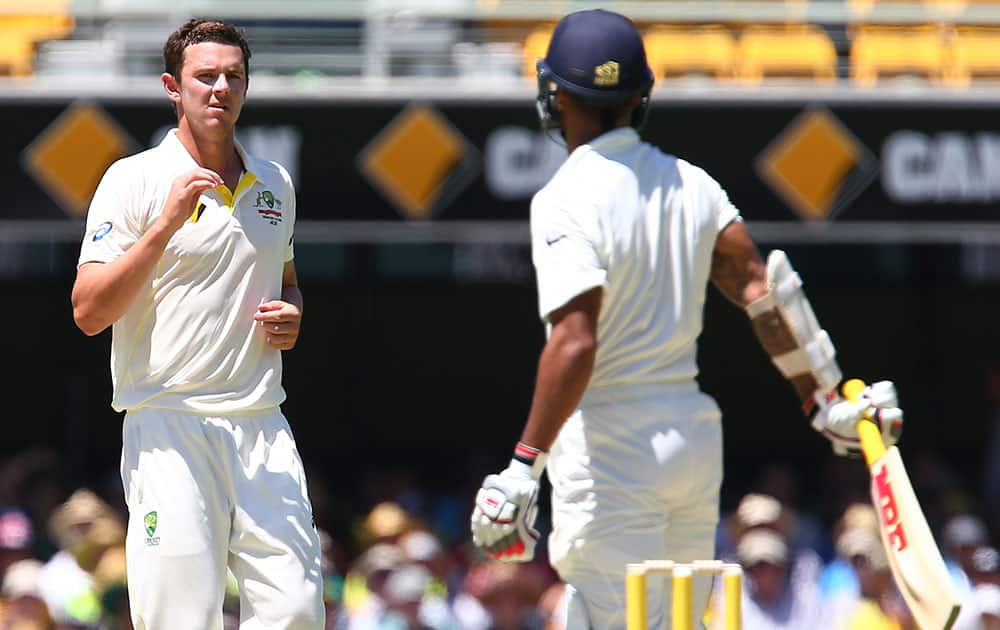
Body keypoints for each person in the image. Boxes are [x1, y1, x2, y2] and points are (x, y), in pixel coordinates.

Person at [469, 9, 905, 629]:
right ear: (640, 97)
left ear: (556, 93)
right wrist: (823, 399)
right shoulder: (692, 184)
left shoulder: (564, 198)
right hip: (690, 444)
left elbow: (575, 340)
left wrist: (522, 467)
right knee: (681, 620)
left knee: (607, 617)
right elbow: (762, 288)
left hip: (610, 450)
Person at [71, 19, 323, 629]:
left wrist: (293, 310)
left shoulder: (275, 182)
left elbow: (284, 277)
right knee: (180, 618)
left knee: (297, 611)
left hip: (262, 422)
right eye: (204, 76)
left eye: (233, 76)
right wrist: (164, 225)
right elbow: (88, 311)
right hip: (168, 424)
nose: (219, 88)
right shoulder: (132, 179)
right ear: (172, 87)